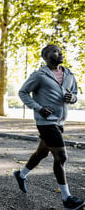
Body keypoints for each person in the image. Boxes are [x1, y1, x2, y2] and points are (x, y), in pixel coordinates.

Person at [14, 45, 84, 210]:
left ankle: (21, 174)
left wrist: (72, 98)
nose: (59, 53)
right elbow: (23, 92)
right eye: (54, 50)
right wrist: (38, 108)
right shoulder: (39, 75)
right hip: (46, 122)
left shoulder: (69, 74)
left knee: (41, 153)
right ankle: (67, 198)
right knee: (61, 156)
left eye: (60, 50)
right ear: (45, 56)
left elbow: (74, 94)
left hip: (60, 121)